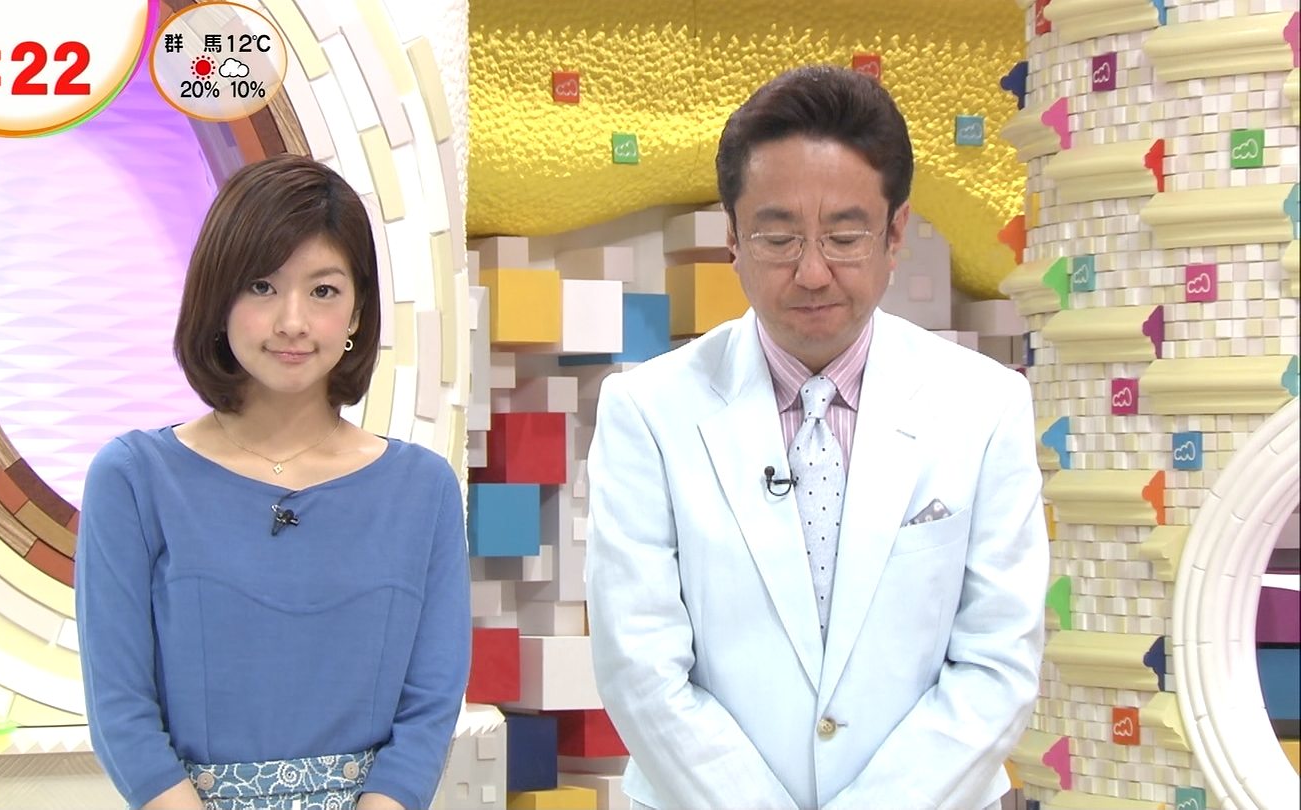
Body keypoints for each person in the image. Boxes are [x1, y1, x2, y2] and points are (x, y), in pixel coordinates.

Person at [585, 65, 1049, 810]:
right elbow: (640, 667)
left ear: (895, 233)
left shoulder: (985, 406)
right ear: (732, 238)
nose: (811, 272)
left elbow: (997, 664)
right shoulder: (647, 412)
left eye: (844, 236)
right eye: (777, 237)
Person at [77, 155, 471, 810]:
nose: (293, 321)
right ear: (218, 299)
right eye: (262, 286)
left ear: (357, 313)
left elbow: (429, 708)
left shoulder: (422, 489)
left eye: (324, 291)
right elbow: (121, 710)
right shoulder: (134, 478)